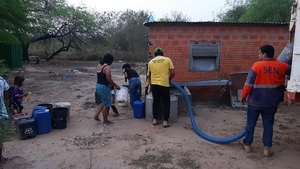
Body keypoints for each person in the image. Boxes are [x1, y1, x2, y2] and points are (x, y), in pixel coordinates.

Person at [241, 45, 290, 157]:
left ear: (265, 54)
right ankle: (267, 149)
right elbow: (294, 70)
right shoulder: (282, 66)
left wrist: (243, 96)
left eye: (259, 53)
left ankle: (247, 145)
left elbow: (248, 84)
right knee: (268, 125)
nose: (258, 55)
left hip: (255, 102)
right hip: (271, 103)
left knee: (250, 124)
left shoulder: (256, 66)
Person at [147, 47, 175, 128]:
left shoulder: (151, 62)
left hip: (154, 85)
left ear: (155, 55)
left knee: (156, 102)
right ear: (162, 54)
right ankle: (165, 121)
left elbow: (149, 75)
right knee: (166, 102)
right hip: (164, 84)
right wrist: (168, 79)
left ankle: (155, 119)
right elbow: (173, 72)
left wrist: (150, 84)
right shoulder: (167, 59)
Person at [94, 53, 120, 125]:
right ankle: (105, 120)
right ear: (110, 61)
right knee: (107, 104)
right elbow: (108, 78)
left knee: (103, 102)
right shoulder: (107, 67)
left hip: (98, 85)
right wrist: (115, 85)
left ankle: (96, 116)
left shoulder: (99, 65)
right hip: (104, 87)